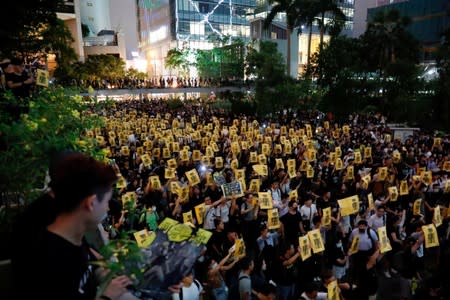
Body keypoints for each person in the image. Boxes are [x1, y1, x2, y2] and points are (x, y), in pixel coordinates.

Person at [12, 153, 133, 300]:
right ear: (91, 203)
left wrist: (110, 274)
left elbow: (89, 264)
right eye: (107, 201)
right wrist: (107, 296)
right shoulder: (49, 262)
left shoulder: (73, 237)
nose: (107, 208)